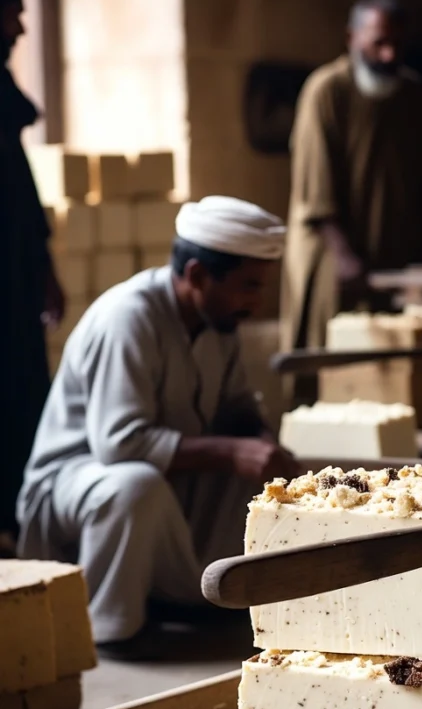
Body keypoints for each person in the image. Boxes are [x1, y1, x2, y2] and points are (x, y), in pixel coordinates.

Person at [17, 196, 298, 659]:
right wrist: (231, 452)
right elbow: (118, 444)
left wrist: (264, 445)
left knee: (266, 478)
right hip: (73, 489)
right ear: (196, 276)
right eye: (248, 286)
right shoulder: (128, 317)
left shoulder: (219, 320)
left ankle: (195, 598)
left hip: (164, 485)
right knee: (135, 486)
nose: (256, 301)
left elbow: (238, 409)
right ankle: (111, 629)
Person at [281, 0, 422, 355]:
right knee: (328, 358)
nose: (389, 55)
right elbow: (315, 189)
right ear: (351, 39)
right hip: (333, 252)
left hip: (393, 257)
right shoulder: (326, 91)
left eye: (397, 44)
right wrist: (345, 258)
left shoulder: (412, 95)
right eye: (378, 44)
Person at [0, 0, 64, 546]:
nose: (20, 27)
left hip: (16, 279)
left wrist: (44, 267)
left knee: (23, 396)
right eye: (13, 11)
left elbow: (20, 189)